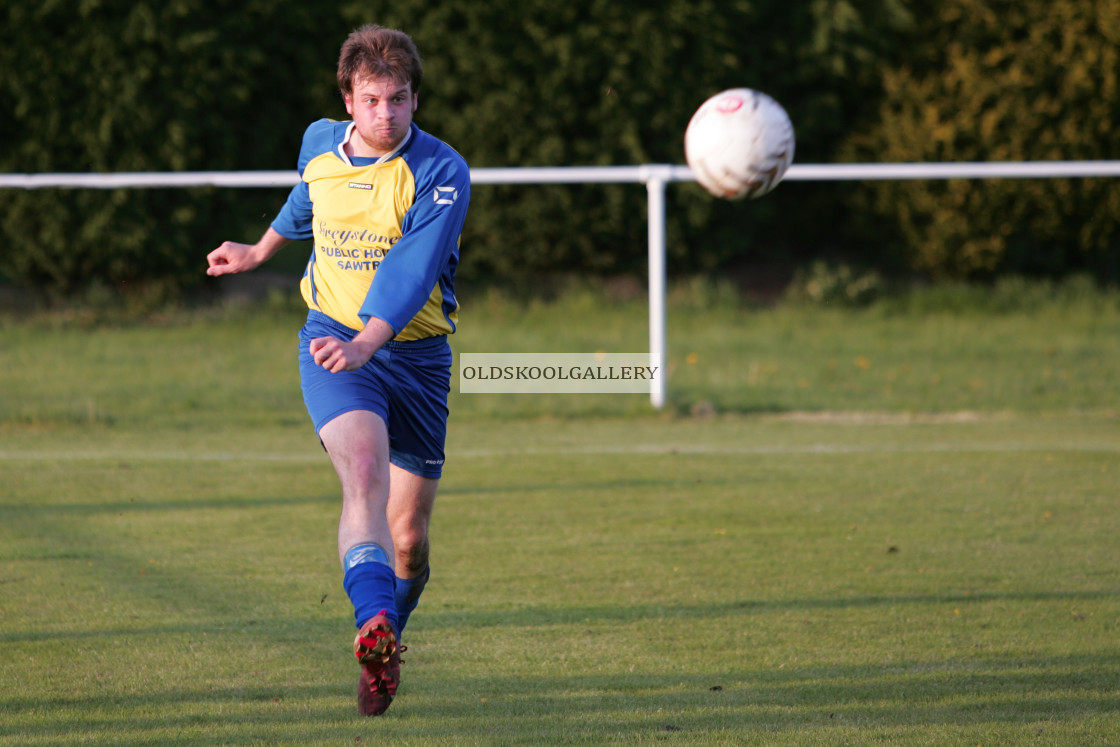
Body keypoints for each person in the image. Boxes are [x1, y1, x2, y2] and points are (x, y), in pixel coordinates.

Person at [205, 24, 470, 717]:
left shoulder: (442, 172)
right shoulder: (320, 141)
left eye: (401, 99)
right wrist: (261, 249)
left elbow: (411, 274)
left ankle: (386, 642)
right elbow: (308, 197)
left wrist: (370, 341)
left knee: (408, 539)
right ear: (348, 102)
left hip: (416, 358)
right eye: (373, 99)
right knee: (363, 476)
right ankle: (370, 625)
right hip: (333, 345)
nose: (388, 114)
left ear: (415, 99)